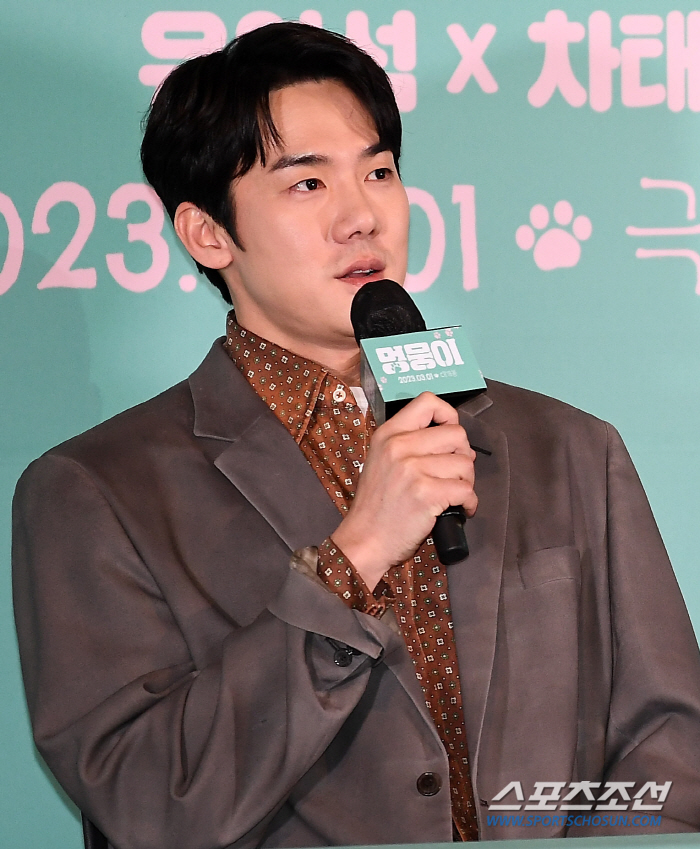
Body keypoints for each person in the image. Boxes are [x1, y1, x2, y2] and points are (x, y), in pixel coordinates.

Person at [12, 21, 700, 848]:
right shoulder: (94, 492)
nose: (361, 216)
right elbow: (147, 799)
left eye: (379, 172)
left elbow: (669, 747)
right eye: (308, 183)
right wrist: (353, 558)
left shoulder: (571, 448)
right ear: (207, 233)